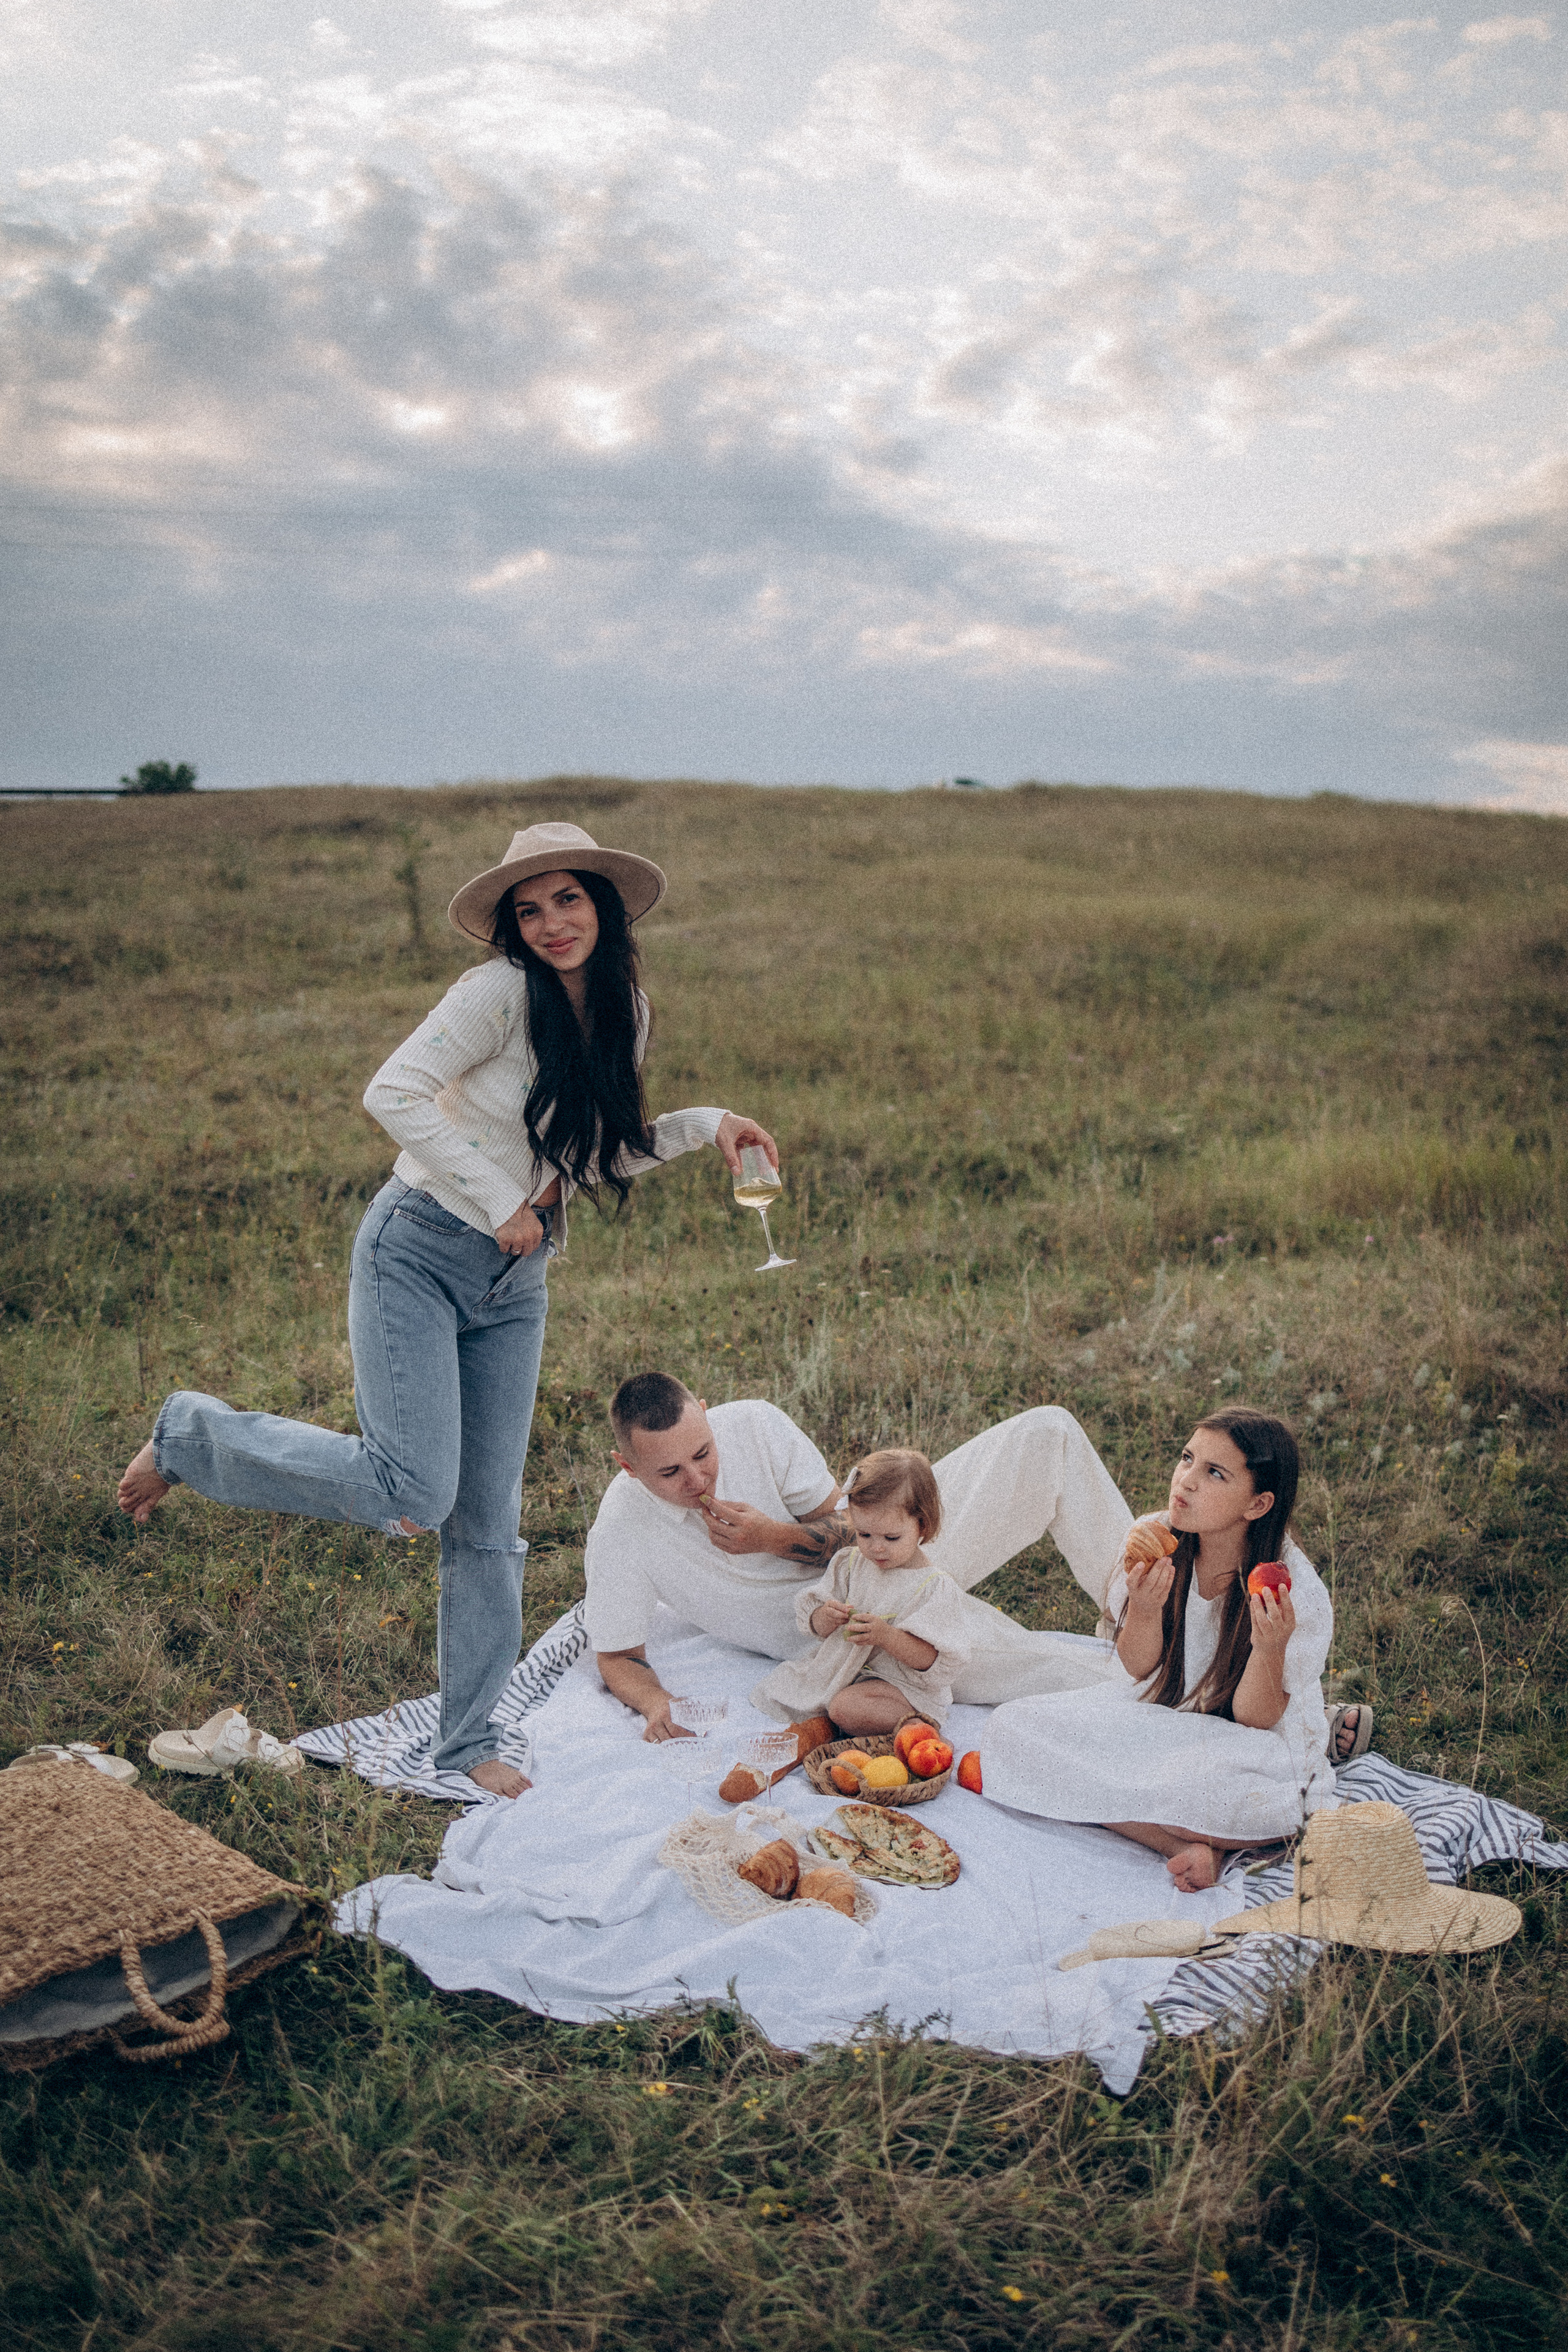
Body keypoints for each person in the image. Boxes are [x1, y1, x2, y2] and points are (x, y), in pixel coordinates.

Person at [116, 821, 777, 1800]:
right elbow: (395, 1091)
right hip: (418, 1250)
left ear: (604, 903)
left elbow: (595, 1153)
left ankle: (466, 1742)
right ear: (511, 926)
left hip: (518, 1280)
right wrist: (501, 1202)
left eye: (569, 899)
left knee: (488, 1522)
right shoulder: (497, 993)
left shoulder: (622, 1009)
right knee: (411, 1492)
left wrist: (705, 1126)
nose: (553, 922)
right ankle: (191, 1434)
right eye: (529, 907)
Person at [587, 1376, 1147, 1740]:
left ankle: (1146, 1609)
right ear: (627, 1466)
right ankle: (1172, 1672)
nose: (697, 1478)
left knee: (1047, 1433)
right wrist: (658, 1703)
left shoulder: (754, 1424)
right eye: (669, 1472)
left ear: (707, 1415)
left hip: (884, 1545)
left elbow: (850, 1528)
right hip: (855, 1639)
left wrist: (772, 1538)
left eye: (704, 1453)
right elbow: (617, 1655)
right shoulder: (620, 1528)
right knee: (1076, 1676)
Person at [973, 1409, 1340, 1891]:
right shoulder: (1157, 1540)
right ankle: (1180, 1844)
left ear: (1257, 1504)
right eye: (1187, 1459)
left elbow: (1256, 1717)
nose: (1185, 1481)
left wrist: (1268, 1648)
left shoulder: (1294, 1589)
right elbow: (1138, 1668)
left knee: (1219, 1791)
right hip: (1166, 1716)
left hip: (1247, 1744)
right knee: (1012, 1730)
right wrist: (1144, 1610)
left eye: (1214, 1473)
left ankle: (1162, 1816)